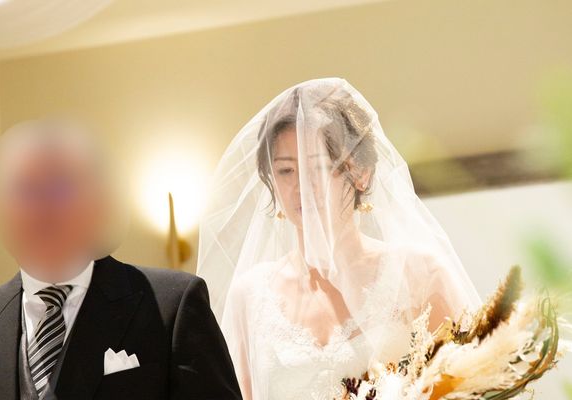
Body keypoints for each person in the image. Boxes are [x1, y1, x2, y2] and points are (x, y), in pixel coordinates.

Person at [197, 78, 481, 400]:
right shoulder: (250, 295)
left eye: (317, 168)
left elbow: (473, 388)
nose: (301, 187)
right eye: (286, 171)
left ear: (361, 173)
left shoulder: (420, 274)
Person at [0, 119, 242, 400]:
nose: (42, 211)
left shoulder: (172, 306)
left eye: (61, 190)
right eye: (25, 192)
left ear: (98, 203)